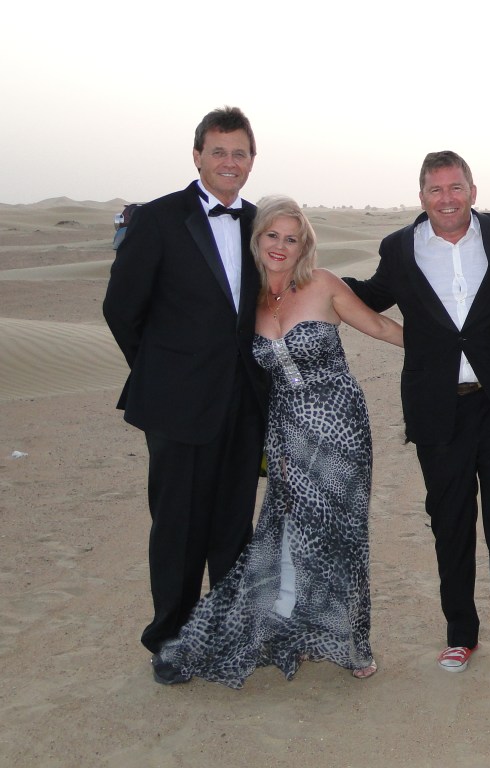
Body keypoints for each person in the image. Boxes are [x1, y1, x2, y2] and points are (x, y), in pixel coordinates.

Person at [156, 196, 403, 687]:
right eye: (273, 235)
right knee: (290, 531)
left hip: (340, 426)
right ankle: (299, 630)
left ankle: (353, 643)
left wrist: (449, 352)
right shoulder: (245, 299)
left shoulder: (323, 285)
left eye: (292, 239)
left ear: (304, 246)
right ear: (258, 239)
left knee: (342, 534)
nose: (281, 246)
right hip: (286, 431)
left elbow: (379, 326)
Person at [343, 151, 490, 673]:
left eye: (456, 187)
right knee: (451, 521)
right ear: (422, 196)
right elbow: (373, 295)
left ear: (472, 190)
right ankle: (460, 633)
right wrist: (318, 283)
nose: (447, 199)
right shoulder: (399, 247)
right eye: (436, 189)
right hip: (437, 405)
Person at [102, 107, 269, 682]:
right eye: (218, 151)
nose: (229, 162)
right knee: (177, 527)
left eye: (239, 153)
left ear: (252, 161)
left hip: (243, 405)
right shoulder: (158, 218)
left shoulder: (259, 223)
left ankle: (224, 635)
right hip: (176, 405)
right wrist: (164, 372)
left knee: (232, 529)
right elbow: (121, 308)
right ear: (197, 156)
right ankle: (170, 640)